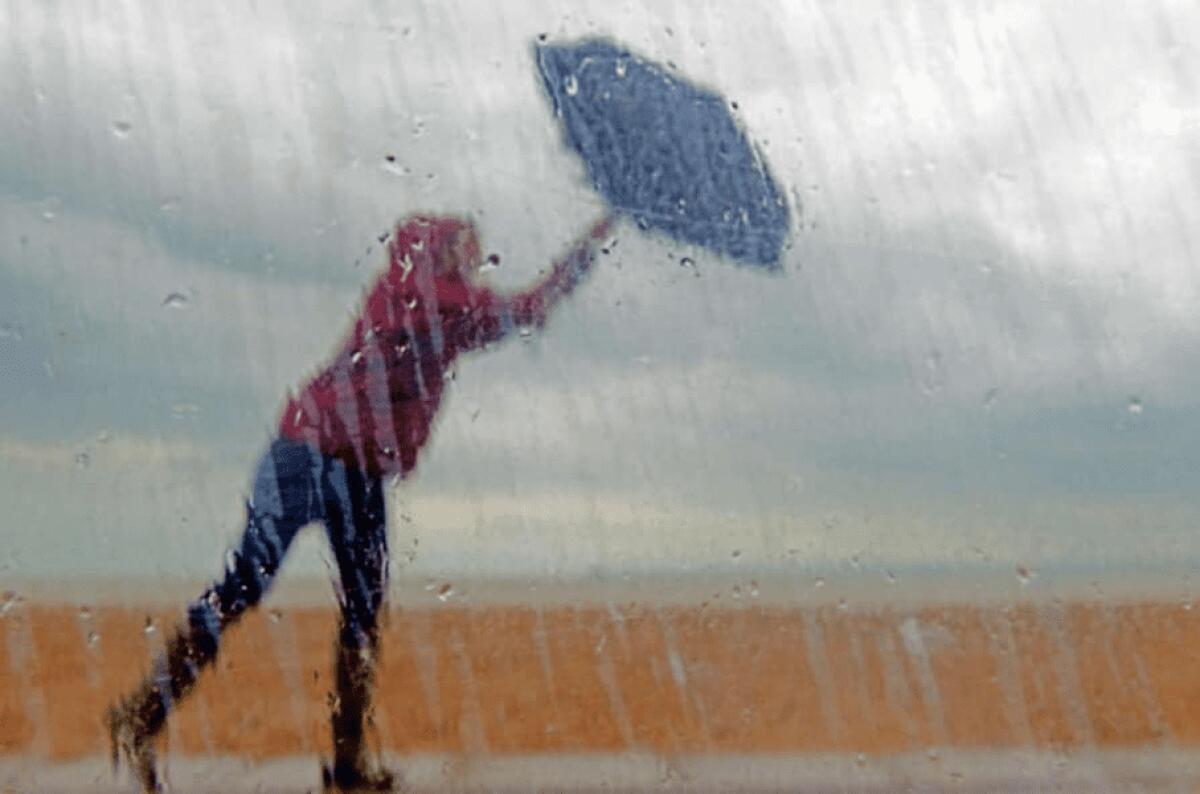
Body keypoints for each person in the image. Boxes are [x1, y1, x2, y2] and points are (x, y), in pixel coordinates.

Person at [106, 213, 613, 793]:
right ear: (435, 251)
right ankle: (335, 765)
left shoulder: (412, 296)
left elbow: (513, 312)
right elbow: (524, 310)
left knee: (270, 590)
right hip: (336, 463)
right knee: (347, 611)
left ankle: (144, 717)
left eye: (476, 253)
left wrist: (581, 254)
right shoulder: (431, 301)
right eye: (464, 250)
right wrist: (587, 249)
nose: (473, 261)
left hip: (300, 451)